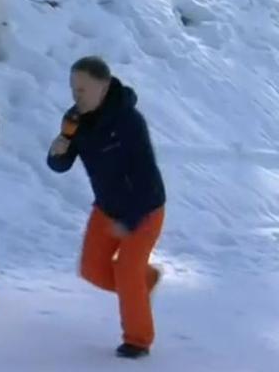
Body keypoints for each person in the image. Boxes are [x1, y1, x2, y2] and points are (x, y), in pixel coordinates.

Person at [46, 56, 166, 359]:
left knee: (127, 271)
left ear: (104, 86)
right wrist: (57, 153)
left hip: (145, 208)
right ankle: (145, 281)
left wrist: (132, 219)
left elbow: (146, 176)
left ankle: (138, 340)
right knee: (92, 270)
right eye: (73, 89)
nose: (76, 96)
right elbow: (60, 163)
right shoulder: (75, 119)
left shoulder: (128, 121)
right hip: (106, 208)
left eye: (83, 89)